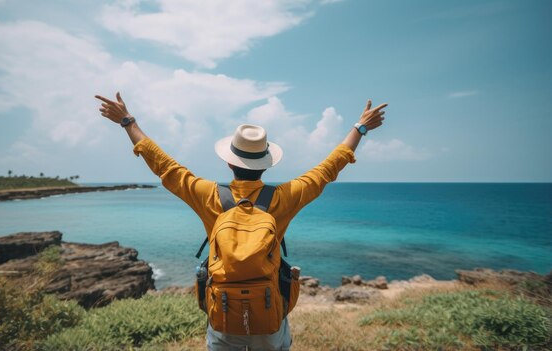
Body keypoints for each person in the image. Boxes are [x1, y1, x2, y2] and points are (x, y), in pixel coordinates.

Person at [95, 92, 387, 351]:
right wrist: (359, 128)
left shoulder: (208, 195)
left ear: (229, 161)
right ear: (266, 162)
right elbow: (327, 169)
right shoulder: (283, 198)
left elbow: (165, 167)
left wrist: (128, 123)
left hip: (223, 314)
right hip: (269, 313)